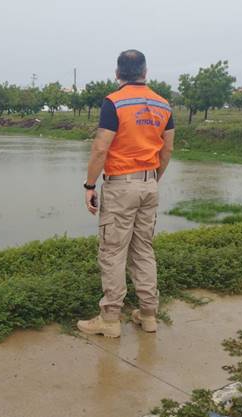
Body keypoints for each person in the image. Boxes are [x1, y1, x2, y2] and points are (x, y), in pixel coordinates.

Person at [77, 49, 175, 338]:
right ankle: (148, 315)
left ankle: (109, 319)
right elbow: (167, 149)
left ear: (117, 73)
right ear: (145, 72)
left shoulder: (114, 102)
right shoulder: (163, 104)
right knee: (143, 249)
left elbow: (100, 148)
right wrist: (152, 179)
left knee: (112, 251)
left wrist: (89, 185)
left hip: (120, 186)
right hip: (149, 183)